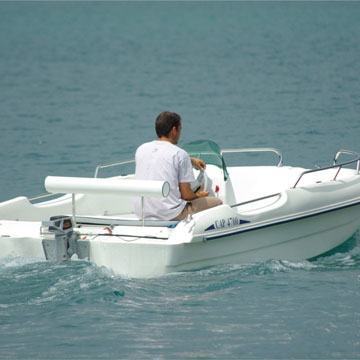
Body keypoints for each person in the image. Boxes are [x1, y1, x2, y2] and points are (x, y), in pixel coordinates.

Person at [134, 111, 222, 220]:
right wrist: (199, 195)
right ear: (174, 130)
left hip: (142, 213)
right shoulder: (180, 154)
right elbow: (186, 195)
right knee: (218, 204)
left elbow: (160, 158)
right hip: (170, 215)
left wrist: (190, 160)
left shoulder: (141, 149)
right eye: (180, 129)